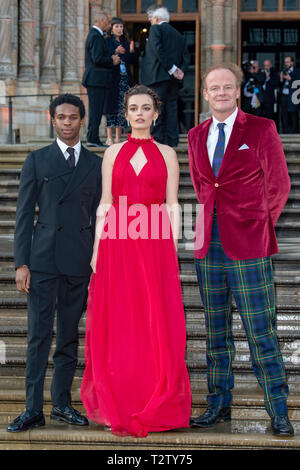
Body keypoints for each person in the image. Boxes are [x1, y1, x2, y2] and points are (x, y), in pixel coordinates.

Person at [188, 63, 294, 437]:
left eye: (227, 87)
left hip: (249, 243)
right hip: (208, 246)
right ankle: (218, 404)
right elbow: (205, 187)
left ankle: (278, 410)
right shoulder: (196, 135)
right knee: (216, 332)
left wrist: (258, 223)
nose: (220, 93)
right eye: (213, 87)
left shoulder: (261, 128)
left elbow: (279, 185)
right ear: (205, 93)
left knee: (260, 330)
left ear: (237, 91)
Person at [80, 84, 191, 438]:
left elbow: (173, 204)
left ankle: (154, 395)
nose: (140, 114)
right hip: (117, 240)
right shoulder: (112, 153)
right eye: (133, 108)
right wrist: (98, 248)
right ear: (126, 114)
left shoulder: (168, 153)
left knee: (154, 316)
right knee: (122, 317)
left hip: (155, 240)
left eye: (146, 108)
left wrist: (170, 246)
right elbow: (106, 203)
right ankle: (122, 399)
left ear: (156, 114)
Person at [7, 94, 102, 433]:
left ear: (82, 120)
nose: (66, 122)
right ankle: (32, 408)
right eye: (61, 117)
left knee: (67, 339)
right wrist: (22, 262)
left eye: (73, 117)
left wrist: (97, 264)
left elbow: (99, 217)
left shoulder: (94, 164)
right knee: (37, 337)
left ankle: (62, 403)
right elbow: (22, 216)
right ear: (52, 119)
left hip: (78, 263)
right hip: (43, 262)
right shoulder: (37, 160)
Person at [141, 6, 189, 147]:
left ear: (156, 19)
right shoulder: (179, 35)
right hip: (173, 80)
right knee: (172, 111)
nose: (150, 21)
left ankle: (157, 142)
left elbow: (158, 50)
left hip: (157, 77)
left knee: (156, 110)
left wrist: (172, 69)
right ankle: (172, 142)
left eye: (151, 19)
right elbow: (186, 57)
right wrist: (180, 71)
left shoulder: (156, 29)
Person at [82, 11, 120, 147]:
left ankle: (93, 137)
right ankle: (93, 138)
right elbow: (97, 58)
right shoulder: (96, 36)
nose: (110, 25)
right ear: (101, 21)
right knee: (96, 110)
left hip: (97, 80)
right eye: (108, 22)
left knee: (96, 110)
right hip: (96, 80)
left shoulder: (97, 35)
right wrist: (112, 60)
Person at [105, 17, 137, 146]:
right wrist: (114, 51)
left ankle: (118, 137)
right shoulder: (107, 41)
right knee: (110, 107)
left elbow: (132, 61)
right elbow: (104, 56)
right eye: (117, 26)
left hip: (124, 78)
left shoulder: (125, 42)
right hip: (112, 79)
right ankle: (109, 137)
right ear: (112, 28)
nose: (119, 29)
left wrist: (131, 51)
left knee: (121, 107)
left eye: (121, 27)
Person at [279, 56, 300, 133]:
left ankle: (294, 133)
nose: (286, 64)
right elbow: (278, 86)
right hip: (284, 96)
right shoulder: (284, 71)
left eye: (288, 62)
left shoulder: (297, 72)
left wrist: (290, 79)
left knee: (293, 115)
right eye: (285, 62)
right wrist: (281, 79)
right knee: (284, 115)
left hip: (293, 96)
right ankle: (285, 132)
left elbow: (298, 83)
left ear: (292, 62)